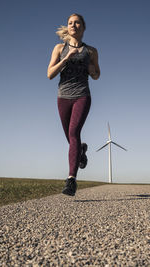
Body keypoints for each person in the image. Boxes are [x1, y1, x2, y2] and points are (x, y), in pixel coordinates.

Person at [47, 13, 100, 196]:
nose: (73, 25)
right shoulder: (59, 48)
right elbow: (50, 74)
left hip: (82, 95)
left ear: (83, 27)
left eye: (77, 23)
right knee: (71, 138)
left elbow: (97, 75)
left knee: (73, 132)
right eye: (70, 23)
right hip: (63, 97)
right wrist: (66, 59)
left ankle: (71, 180)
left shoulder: (91, 51)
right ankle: (81, 150)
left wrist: (92, 70)